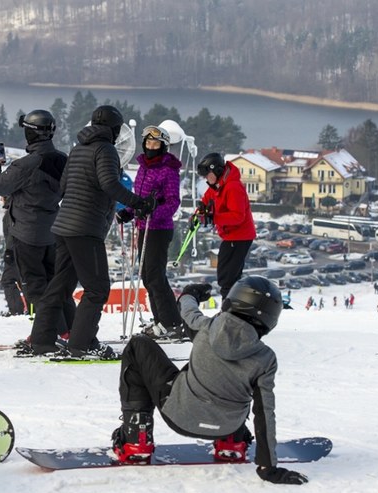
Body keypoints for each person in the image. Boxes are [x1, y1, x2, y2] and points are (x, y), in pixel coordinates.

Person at [112, 276, 308, 485]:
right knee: (238, 384)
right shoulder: (265, 358)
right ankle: (231, 444)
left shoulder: (206, 327)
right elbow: (264, 412)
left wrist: (190, 294)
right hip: (228, 426)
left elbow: (187, 311)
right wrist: (268, 467)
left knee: (138, 345)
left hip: (179, 416)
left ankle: (136, 440)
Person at [28, 105, 156, 358]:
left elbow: (63, 186)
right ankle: (82, 344)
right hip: (85, 228)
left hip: (63, 226)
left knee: (60, 285)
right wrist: (138, 203)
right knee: (97, 289)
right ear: (115, 129)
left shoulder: (78, 149)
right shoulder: (105, 149)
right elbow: (109, 183)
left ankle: (42, 340)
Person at [0, 110, 72, 333]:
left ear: (30, 133)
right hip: (53, 231)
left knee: (35, 287)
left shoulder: (27, 164)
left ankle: (53, 333)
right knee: (55, 283)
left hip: (27, 233)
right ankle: (71, 330)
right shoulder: (63, 160)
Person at [116, 125, 183, 340]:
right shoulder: (144, 167)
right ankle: (161, 320)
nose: (151, 147)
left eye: (156, 143)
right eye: (148, 143)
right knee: (148, 277)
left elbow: (173, 203)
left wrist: (153, 212)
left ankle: (172, 323)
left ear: (163, 146)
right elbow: (140, 199)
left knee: (155, 277)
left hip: (159, 229)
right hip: (144, 228)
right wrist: (128, 212)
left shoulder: (168, 169)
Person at [195, 152, 256, 300]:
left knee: (227, 278)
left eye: (207, 175)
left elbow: (238, 216)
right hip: (230, 236)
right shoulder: (217, 186)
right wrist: (198, 215)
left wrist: (213, 218)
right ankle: (230, 309)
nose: (205, 179)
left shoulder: (233, 187)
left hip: (240, 236)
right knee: (226, 276)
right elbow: (205, 201)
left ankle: (229, 312)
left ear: (216, 170)